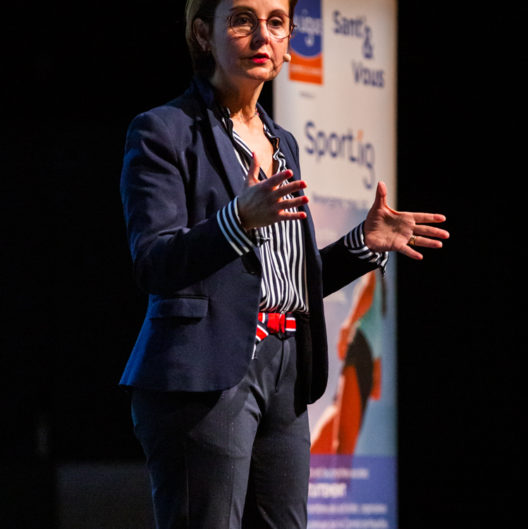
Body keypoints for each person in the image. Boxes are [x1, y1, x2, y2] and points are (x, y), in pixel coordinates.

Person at [119, 0, 449, 527]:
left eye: (276, 22)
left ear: (289, 41)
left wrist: (362, 244)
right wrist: (236, 220)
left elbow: (281, 278)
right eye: (243, 19)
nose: (262, 36)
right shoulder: (164, 131)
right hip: (205, 372)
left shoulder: (283, 143)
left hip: (286, 368)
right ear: (203, 35)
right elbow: (154, 261)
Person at [310, 269, 385, 455]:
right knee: (331, 435)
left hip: (362, 350)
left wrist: (347, 325)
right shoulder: (380, 281)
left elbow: (368, 290)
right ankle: (302, 480)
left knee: (343, 446)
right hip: (366, 354)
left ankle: (339, 483)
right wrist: (377, 367)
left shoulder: (373, 266)